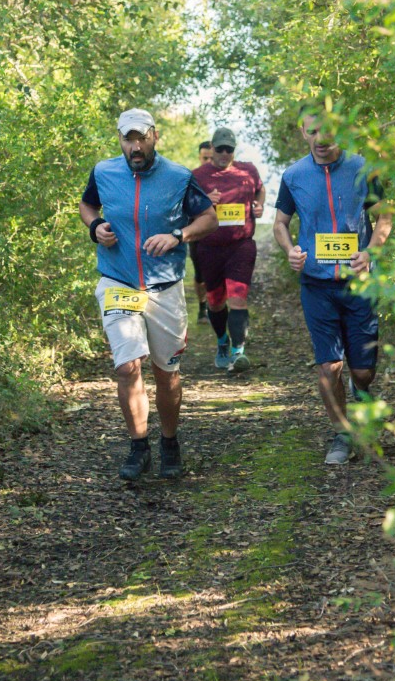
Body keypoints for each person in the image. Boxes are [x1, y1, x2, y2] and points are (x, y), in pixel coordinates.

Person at [79, 109, 218, 480]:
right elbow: (87, 205)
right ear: (120, 140)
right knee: (127, 366)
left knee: (166, 373)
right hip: (118, 281)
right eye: (129, 139)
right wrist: (95, 226)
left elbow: (209, 218)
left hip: (164, 287)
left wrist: (178, 236)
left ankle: (169, 442)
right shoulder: (103, 172)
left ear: (155, 136)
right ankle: (138, 446)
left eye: (141, 138)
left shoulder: (179, 176)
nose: (135, 146)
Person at [273, 107, 393, 465]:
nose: (320, 140)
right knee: (329, 367)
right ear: (303, 132)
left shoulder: (361, 168)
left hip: (359, 285)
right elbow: (280, 223)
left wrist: (370, 252)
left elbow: (384, 216)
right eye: (312, 132)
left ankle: (362, 387)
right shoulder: (293, 175)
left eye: (327, 132)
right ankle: (342, 434)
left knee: (363, 371)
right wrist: (290, 249)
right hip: (316, 284)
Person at [192, 126, 265, 373]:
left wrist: (259, 205)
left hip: (241, 246)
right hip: (209, 248)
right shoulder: (197, 176)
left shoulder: (248, 170)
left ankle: (238, 353)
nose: (224, 153)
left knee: (238, 299)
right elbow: (185, 209)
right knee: (214, 303)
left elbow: (260, 189)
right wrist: (204, 201)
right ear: (212, 148)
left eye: (229, 149)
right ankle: (222, 342)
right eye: (220, 149)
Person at [190, 141, 213, 323]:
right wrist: (205, 201)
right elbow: (183, 206)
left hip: (222, 233)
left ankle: (218, 307)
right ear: (199, 157)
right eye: (205, 158)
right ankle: (202, 307)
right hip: (198, 233)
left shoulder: (226, 176)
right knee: (200, 275)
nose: (209, 162)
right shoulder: (192, 177)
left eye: (212, 158)